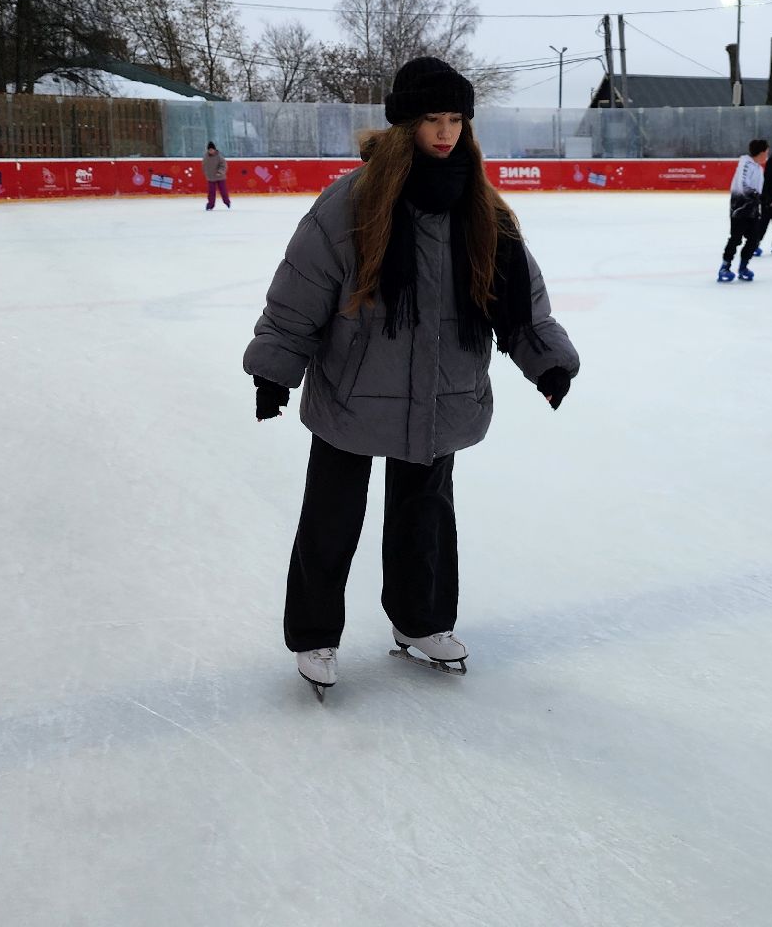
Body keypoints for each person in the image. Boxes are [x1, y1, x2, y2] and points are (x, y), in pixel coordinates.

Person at [243, 56, 580, 698]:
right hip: (352, 393)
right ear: (405, 125)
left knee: (424, 516)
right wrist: (273, 371)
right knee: (331, 518)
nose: (446, 132)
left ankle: (420, 621)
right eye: (433, 119)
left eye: (456, 119)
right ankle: (315, 633)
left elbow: (519, 300)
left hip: (441, 394)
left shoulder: (483, 210)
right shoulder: (352, 203)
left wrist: (547, 360)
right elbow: (300, 292)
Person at [718, 139, 768, 282]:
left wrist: (763, 198)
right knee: (736, 238)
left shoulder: (759, 168)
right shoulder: (745, 164)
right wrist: (757, 195)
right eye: (767, 152)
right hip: (739, 208)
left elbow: (758, 189)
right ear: (762, 152)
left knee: (754, 239)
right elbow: (742, 185)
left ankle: (743, 267)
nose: (767, 155)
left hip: (752, 209)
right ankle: (725, 267)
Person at [202, 142, 231, 210]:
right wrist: (206, 173)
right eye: (209, 150)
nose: (211, 151)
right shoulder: (206, 157)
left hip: (220, 177)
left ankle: (227, 202)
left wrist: (220, 172)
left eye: (212, 150)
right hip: (211, 177)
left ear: (215, 150)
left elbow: (224, 165)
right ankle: (210, 205)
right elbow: (204, 166)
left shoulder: (219, 156)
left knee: (223, 191)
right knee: (211, 192)